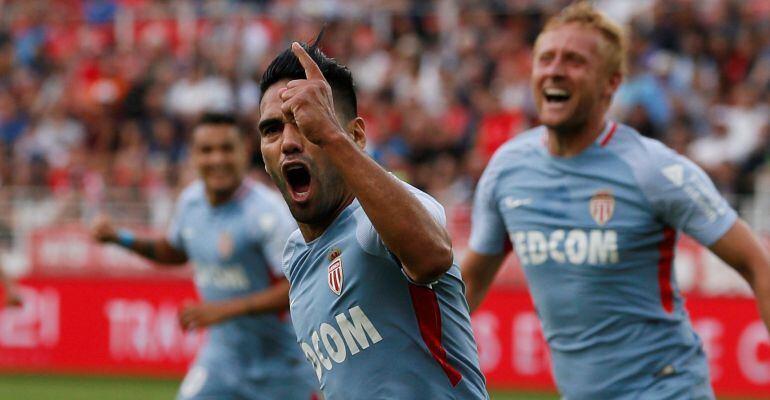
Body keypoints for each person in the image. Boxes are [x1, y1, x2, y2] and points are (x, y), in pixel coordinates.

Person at [461, 3, 770, 399]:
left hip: (667, 388)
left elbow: (756, 262)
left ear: (611, 82)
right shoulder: (507, 170)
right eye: (546, 58)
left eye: (574, 61)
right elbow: (469, 283)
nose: (554, 70)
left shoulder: (652, 170)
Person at [258, 39, 489, 399]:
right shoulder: (296, 259)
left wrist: (330, 136)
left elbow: (433, 256)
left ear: (355, 136)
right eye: (272, 129)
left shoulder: (376, 222)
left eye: (307, 123)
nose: (288, 142)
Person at [91, 112, 317, 400]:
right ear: (193, 155)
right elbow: (175, 250)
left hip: (282, 366)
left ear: (244, 150)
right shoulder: (191, 202)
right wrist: (120, 238)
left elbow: (298, 287)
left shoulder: (268, 212)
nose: (217, 159)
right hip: (221, 360)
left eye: (226, 148)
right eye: (207, 150)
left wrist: (222, 310)